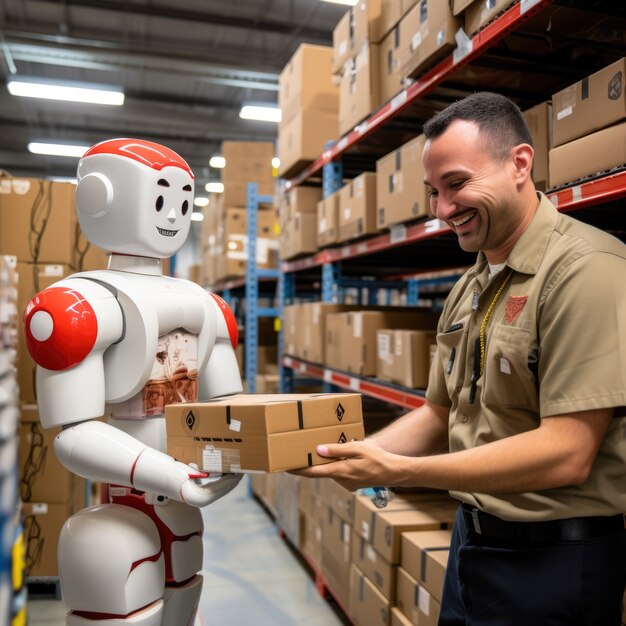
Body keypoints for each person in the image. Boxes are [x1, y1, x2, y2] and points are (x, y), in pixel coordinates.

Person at [295, 92, 626, 625]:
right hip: (471, 546)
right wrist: (352, 456)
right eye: (432, 192)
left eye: (457, 184)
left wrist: (401, 471)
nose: (443, 210)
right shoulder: (470, 284)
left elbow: (569, 451)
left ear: (519, 164)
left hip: (556, 563)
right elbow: (441, 413)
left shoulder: (586, 270)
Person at [23, 138, 244, 625]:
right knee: (120, 597)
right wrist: (170, 474)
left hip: (181, 502)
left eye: (181, 202)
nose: (172, 214)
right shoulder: (78, 305)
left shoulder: (205, 304)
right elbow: (73, 434)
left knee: (185, 595)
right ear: (101, 197)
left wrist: (239, 454)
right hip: (124, 504)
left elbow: (230, 406)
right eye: (160, 197)